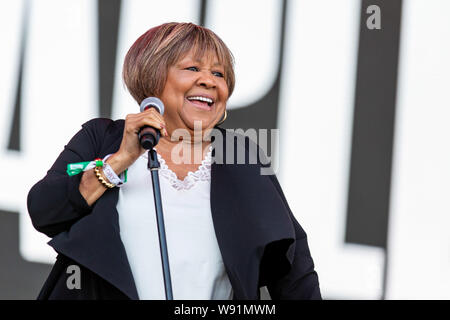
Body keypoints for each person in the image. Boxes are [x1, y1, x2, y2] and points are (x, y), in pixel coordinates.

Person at [27, 22, 321, 300]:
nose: (208, 80)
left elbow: (295, 265)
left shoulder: (240, 154)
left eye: (219, 74)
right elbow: (45, 211)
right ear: (153, 77)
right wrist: (120, 161)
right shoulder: (102, 138)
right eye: (192, 68)